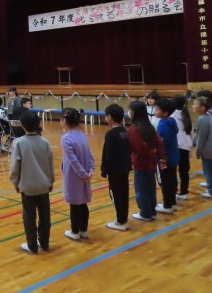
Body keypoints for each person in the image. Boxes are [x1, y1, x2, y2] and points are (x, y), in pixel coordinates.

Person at [10, 111, 54, 254]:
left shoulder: (19, 143)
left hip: (27, 186)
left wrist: (15, 182)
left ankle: (32, 245)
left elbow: (15, 167)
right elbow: (50, 165)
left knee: (29, 217)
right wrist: (51, 181)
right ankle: (44, 242)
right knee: (45, 215)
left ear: (22, 125)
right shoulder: (45, 142)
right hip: (44, 185)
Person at [127, 101, 166, 221]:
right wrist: (161, 156)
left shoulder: (133, 130)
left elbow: (139, 146)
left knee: (141, 189)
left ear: (134, 113)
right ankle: (151, 210)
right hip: (151, 163)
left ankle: (145, 213)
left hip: (140, 163)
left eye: (130, 110)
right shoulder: (150, 127)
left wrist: (150, 152)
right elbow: (159, 142)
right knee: (150, 187)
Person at [60, 108, 95, 241]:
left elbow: (73, 160)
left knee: (74, 204)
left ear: (64, 121)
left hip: (74, 176)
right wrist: (90, 170)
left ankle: (75, 231)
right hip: (85, 174)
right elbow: (90, 155)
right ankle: (83, 230)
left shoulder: (66, 138)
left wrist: (83, 174)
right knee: (83, 203)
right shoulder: (82, 135)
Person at [101, 104, 131, 231]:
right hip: (124, 169)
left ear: (110, 117)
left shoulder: (111, 134)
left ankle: (121, 221)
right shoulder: (124, 131)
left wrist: (105, 170)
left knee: (116, 195)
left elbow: (108, 154)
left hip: (115, 171)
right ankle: (123, 219)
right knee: (124, 194)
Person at [193, 96, 212, 199]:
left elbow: (201, 138)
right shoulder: (210, 116)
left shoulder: (203, 119)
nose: (193, 106)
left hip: (208, 150)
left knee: (209, 172)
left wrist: (198, 152)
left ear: (202, 107)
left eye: (195, 104)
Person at [154, 98, 179, 214]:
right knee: (172, 180)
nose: (155, 111)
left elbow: (161, 144)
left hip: (165, 159)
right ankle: (172, 203)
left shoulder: (163, 126)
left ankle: (167, 205)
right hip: (173, 156)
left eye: (157, 109)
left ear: (165, 113)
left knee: (166, 182)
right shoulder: (171, 121)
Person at [171, 95, 193, 200]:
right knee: (184, 172)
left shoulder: (172, 116)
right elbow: (191, 133)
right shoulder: (186, 114)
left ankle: (174, 191)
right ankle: (184, 192)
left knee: (173, 171)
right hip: (186, 147)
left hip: (176, 146)